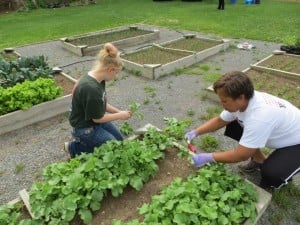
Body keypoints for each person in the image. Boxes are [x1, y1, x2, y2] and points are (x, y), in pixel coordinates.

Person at [185, 71, 300, 189]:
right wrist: (195, 132)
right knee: (234, 125)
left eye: (224, 101)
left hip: (297, 142)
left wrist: (207, 157)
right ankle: (259, 160)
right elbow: (220, 121)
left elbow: (241, 155)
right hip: (284, 130)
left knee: (272, 173)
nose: (221, 104)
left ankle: (272, 183)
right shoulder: (245, 101)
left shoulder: (259, 116)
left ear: (241, 97)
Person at [64, 43, 132, 158]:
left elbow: (102, 104)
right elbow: (97, 118)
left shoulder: (98, 79)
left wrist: (118, 111)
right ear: (110, 69)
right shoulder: (91, 89)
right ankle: (74, 147)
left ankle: (88, 143)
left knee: (119, 140)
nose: (115, 76)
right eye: (116, 73)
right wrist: (120, 115)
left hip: (95, 122)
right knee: (113, 146)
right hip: (85, 128)